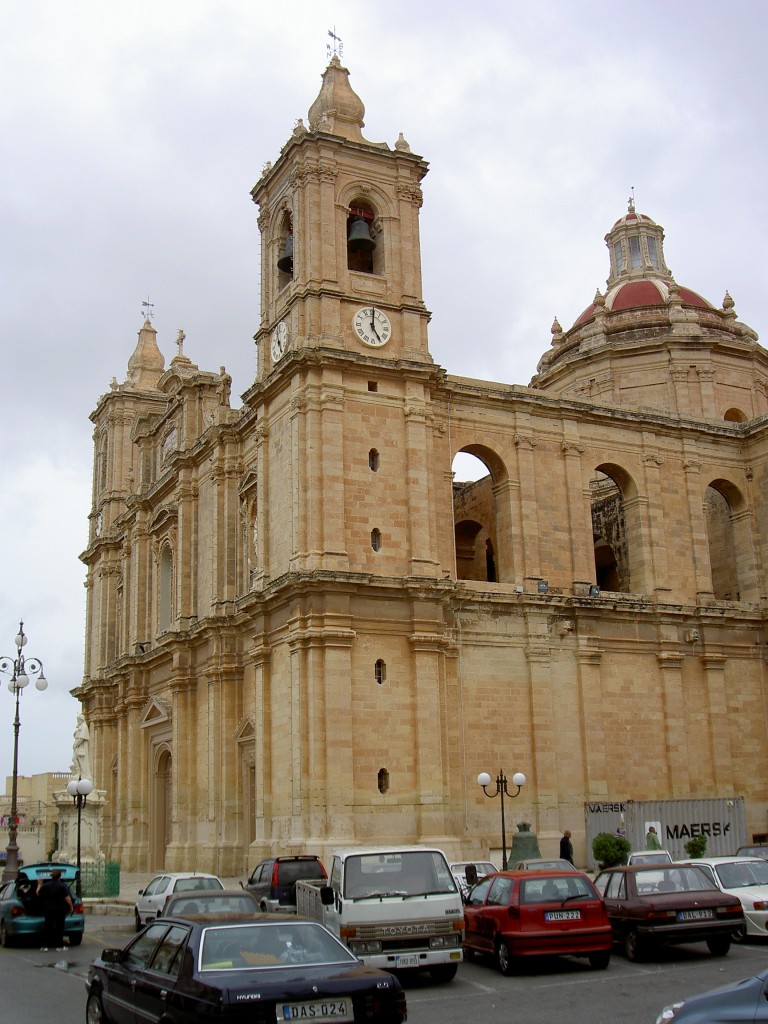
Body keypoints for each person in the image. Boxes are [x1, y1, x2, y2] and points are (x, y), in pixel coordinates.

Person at [36, 869, 73, 951]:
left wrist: (39, 884)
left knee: (48, 927)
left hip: (49, 909)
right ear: (60, 876)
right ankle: (59, 946)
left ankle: (45, 946)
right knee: (59, 928)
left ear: (51, 876)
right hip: (60, 909)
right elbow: (67, 898)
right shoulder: (63, 886)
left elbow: (38, 893)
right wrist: (71, 907)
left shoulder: (46, 885)